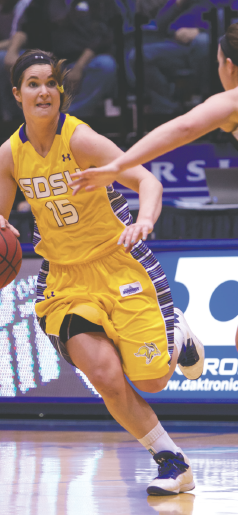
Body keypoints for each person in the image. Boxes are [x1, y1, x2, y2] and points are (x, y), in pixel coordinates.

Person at [0, 49, 204, 495]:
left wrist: (145, 220)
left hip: (118, 264)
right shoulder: (8, 155)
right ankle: (171, 461)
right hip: (65, 279)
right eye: (33, 84)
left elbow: (148, 182)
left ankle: (178, 335)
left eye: (51, 83)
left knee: (151, 380)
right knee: (103, 373)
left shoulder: (80, 140)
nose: (44, 91)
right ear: (17, 94)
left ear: (61, 92)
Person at [70, 22, 238, 346]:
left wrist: (119, 164)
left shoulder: (232, 100)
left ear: (229, 66)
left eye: (218, 63)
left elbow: (184, 128)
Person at [4, 0, 118, 118]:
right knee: (5, 59)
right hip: (47, 59)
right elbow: (26, 27)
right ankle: (22, 119)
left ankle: (67, 117)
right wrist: (12, 51)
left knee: (106, 65)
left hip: (84, 61)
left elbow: (102, 36)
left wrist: (78, 67)